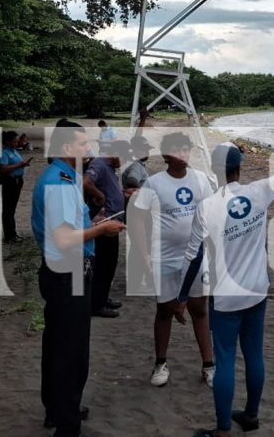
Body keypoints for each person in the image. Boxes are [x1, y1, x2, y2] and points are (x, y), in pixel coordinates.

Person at [180, 140, 274, 437]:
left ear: (215, 171)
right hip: (257, 290)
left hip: (226, 296)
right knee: (254, 354)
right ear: (239, 167)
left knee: (225, 358)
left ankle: (223, 429)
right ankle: (251, 414)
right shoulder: (259, 192)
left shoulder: (206, 207)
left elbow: (193, 256)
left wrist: (181, 296)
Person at [31, 120, 125, 437]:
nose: (89, 149)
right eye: (84, 144)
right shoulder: (58, 181)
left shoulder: (67, 178)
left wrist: (95, 218)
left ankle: (58, 409)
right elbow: (64, 238)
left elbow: (72, 223)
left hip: (64, 270)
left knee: (59, 344)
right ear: (68, 148)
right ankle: (67, 424)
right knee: (71, 350)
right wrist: (102, 229)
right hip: (67, 271)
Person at [131, 131, 215, 388]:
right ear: (167, 155)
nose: (184, 155)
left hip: (196, 258)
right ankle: (160, 362)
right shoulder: (154, 184)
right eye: (178, 150)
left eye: (186, 149)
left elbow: (212, 216)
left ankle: (209, 365)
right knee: (165, 311)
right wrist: (143, 256)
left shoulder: (200, 180)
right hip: (164, 258)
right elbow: (136, 219)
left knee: (199, 310)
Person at [83, 142, 127, 318]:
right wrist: (98, 195)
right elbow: (86, 182)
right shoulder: (100, 164)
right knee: (104, 263)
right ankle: (97, 304)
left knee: (110, 263)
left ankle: (102, 297)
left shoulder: (110, 166)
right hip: (104, 221)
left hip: (113, 220)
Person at [0, 130, 32, 243]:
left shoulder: (14, 151)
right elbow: (3, 168)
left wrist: (23, 164)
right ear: (8, 141)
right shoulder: (3, 152)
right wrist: (19, 165)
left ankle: (13, 233)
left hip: (17, 181)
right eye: (15, 142)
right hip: (8, 181)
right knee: (8, 209)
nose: (17, 144)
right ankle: (9, 235)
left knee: (12, 208)